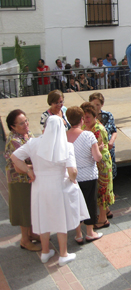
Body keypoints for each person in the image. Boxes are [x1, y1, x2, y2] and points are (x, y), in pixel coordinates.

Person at [11, 116, 90, 266]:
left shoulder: (33, 143)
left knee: (43, 217)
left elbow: (15, 157)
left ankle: (45, 252)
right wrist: (73, 179)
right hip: (59, 186)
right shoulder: (66, 146)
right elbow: (72, 171)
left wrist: (28, 171)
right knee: (60, 219)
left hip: (39, 186)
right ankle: (63, 254)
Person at [66, 107, 104, 244]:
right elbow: (97, 158)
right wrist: (99, 149)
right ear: (81, 119)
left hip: (72, 176)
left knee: (75, 204)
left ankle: (77, 234)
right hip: (88, 174)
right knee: (90, 203)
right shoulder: (88, 135)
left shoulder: (64, 136)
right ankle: (89, 232)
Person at [4, 110, 40, 251]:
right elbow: (20, 164)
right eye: (21, 123)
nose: (26, 124)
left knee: (30, 207)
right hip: (19, 180)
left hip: (29, 176)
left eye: (26, 120)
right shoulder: (14, 140)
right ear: (13, 127)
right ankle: (25, 240)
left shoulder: (27, 134)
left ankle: (31, 233)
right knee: (24, 209)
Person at [81, 102, 114, 229]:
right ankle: (106, 211)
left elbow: (97, 150)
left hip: (102, 162)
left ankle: (103, 219)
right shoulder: (86, 126)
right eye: (84, 117)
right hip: (95, 160)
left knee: (102, 190)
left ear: (95, 116)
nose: (85, 119)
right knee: (101, 188)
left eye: (88, 116)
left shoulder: (98, 129)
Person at [89, 93, 118, 181]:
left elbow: (114, 131)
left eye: (98, 104)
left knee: (110, 171)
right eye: (93, 104)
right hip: (95, 149)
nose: (95, 107)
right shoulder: (87, 117)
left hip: (108, 148)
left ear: (102, 105)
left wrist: (111, 141)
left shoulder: (108, 115)